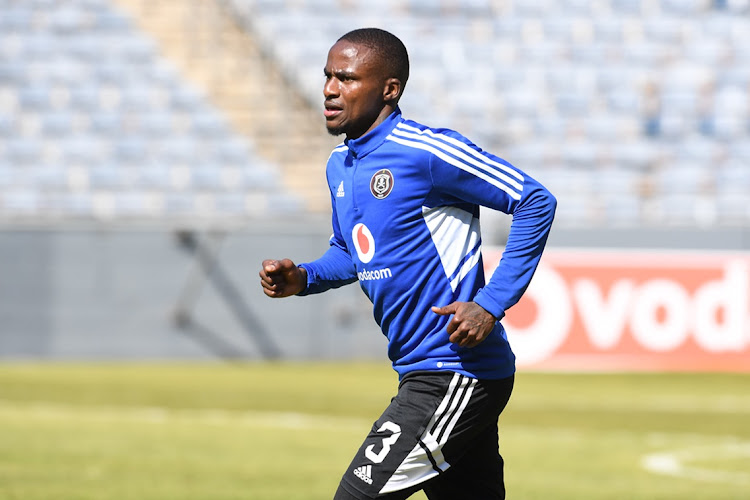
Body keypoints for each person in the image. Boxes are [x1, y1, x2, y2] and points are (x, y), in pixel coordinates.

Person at [259, 27, 556, 500]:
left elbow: (535, 201)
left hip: (455, 370)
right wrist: (304, 277)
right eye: (328, 76)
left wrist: (490, 303)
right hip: (423, 369)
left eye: (347, 78)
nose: (330, 89)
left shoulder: (428, 152)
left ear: (389, 89)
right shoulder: (341, 164)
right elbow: (352, 252)